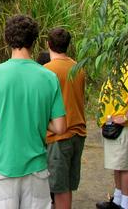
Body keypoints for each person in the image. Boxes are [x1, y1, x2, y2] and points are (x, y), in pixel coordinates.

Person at [0, 14, 67, 209]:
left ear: (7, 39)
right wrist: (37, 116)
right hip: (37, 169)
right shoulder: (49, 77)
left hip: (1, 168)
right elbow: (60, 127)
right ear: (34, 40)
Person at [44, 28, 86, 209]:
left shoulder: (46, 71)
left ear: (48, 44)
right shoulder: (78, 68)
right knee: (66, 186)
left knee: (58, 188)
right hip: (78, 132)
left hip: (59, 136)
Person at [95, 67, 128, 209]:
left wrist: (125, 117)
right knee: (118, 165)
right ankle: (118, 201)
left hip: (121, 127)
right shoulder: (117, 67)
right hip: (112, 126)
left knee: (124, 167)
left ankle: (125, 205)